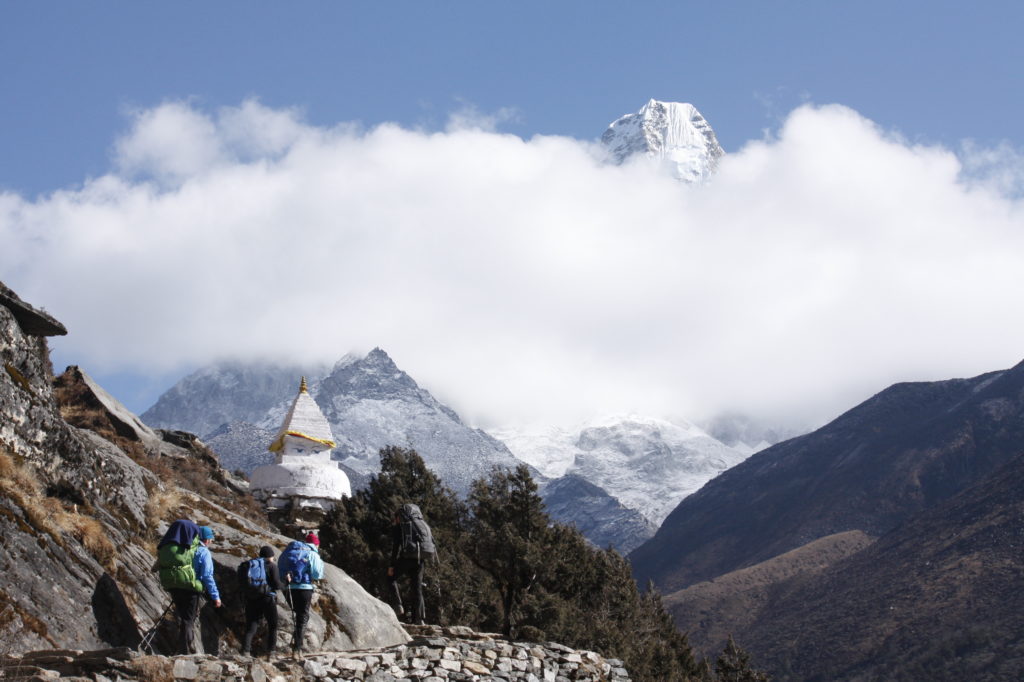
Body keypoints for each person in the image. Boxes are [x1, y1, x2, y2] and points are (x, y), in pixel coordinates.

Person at [156, 521, 222, 654]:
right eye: (211, 539)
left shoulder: (184, 548)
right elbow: (207, 576)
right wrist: (216, 596)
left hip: (174, 585)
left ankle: (182, 648)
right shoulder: (203, 552)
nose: (211, 541)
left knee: (182, 617)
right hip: (191, 588)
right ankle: (184, 651)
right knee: (188, 620)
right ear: (207, 539)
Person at [387, 503, 436, 625]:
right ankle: (419, 619)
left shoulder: (401, 528)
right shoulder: (422, 525)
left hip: (407, 557)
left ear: (400, 516)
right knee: (417, 588)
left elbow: (395, 548)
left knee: (390, 578)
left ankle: (398, 605)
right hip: (420, 559)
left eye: (396, 517)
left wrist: (391, 566)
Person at [279, 531, 324, 655]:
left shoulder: (288, 551)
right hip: (304, 587)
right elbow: (317, 574)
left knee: (298, 614)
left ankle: (295, 642)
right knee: (302, 617)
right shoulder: (312, 553)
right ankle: (297, 648)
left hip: (288, 587)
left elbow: (280, 568)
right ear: (316, 544)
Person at [238, 545, 282, 657]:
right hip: (267, 599)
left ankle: (245, 651)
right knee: (273, 625)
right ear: (270, 556)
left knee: (251, 626)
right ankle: (271, 652)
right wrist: (286, 582)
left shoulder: (251, 565)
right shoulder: (272, 566)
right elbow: (277, 585)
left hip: (251, 598)